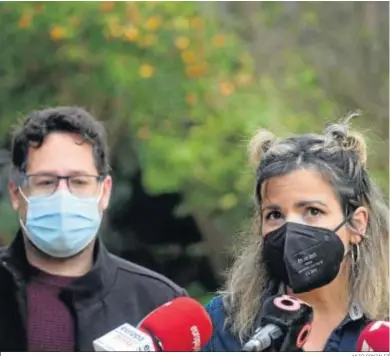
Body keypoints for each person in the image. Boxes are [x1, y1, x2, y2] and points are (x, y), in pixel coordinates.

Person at [0, 107, 187, 351]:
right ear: (16, 193)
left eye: (79, 182)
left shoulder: (158, 304)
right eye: (46, 182)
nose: (63, 196)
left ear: (104, 191)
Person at [202, 115, 389, 352]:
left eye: (312, 211)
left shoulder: (382, 332)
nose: (290, 230)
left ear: (357, 224)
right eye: (275, 215)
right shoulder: (224, 323)